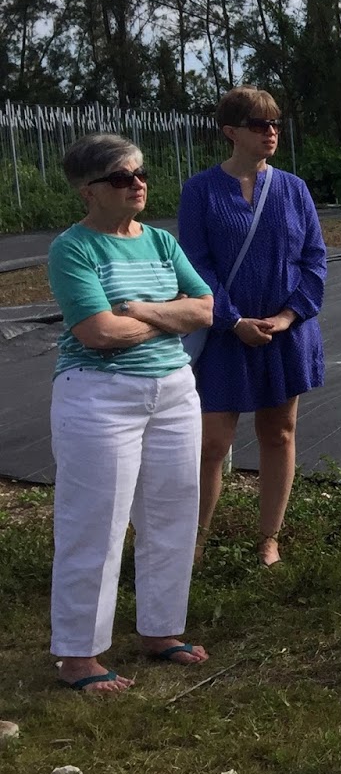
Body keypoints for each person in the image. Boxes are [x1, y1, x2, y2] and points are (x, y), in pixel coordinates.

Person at [45, 134, 215, 692]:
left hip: (173, 391)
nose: (137, 184)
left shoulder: (162, 242)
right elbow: (96, 333)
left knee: (172, 513)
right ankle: (78, 655)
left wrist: (140, 310)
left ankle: (162, 631)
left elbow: (207, 307)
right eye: (122, 178)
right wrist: (172, 315)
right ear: (88, 192)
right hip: (98, 396)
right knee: (94, 523)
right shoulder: (73, 249)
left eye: (140, 174)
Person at [181, 87, 327, 567]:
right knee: (212, 443)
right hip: (227, 335)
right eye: (260, 125)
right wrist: (232, 319)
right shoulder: (200, 191)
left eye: (275, 125)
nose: (271, 133)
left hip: (284, 332)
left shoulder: (293, 189)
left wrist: (288, 316)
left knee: (279, 433)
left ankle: (269, 539)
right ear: (230, 132)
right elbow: (195, 265)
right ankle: (195, 542)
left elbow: (314, 259)